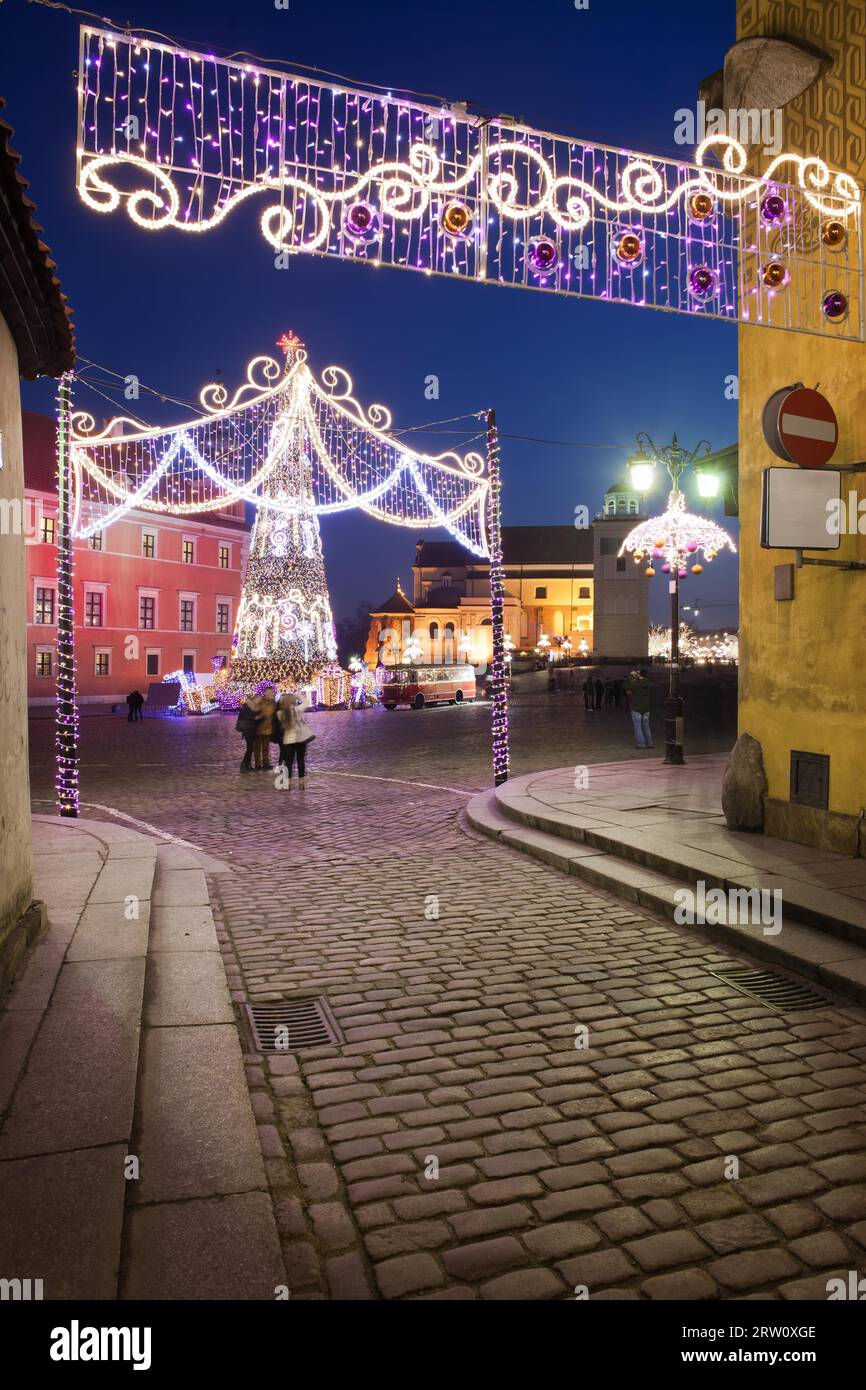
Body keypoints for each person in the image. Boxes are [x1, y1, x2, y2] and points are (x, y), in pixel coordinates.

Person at [277, 692, 315, 784]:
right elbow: (306, 702)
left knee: (289, 762)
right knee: (300, 760)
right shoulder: (297, 710)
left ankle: (289, 782)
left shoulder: (279, 713)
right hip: (300, 738)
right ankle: (301, 782)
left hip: (288, 740)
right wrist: (297, 695)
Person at [625, 666, 654, 749]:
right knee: (646, 726)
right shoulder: (648, 682)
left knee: (638, 726)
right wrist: (643, 678)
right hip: (646, 707)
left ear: (639, 674)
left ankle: (641, 744)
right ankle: (650, 743)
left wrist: (631, 677)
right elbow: (652, 685)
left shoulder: (635, 683)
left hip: (636, 707)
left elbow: (625, 686)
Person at [236, 693, 262, 772]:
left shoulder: (256, 707)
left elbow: (258, 719)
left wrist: (260, 717)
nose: (259, 701)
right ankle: (244, 764)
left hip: (253, 729)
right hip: (247, 730)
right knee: (250, 748)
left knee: (251, 748)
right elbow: (244, 717)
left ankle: (248, 764)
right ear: (254, 699)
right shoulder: (246, 706)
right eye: (258, 699)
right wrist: (255, 717)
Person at [255, 688, 278, 769]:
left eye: (271, 692)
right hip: (259, 728)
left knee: (266, 747)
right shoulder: (260, 701)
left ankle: (266, 763)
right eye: (268, 692)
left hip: (269, 727)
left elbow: (276, 714)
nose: (269, 693)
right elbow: (255, 712)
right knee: (257, 747)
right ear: (264, 693)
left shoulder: (274, 703)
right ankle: (257, 764)